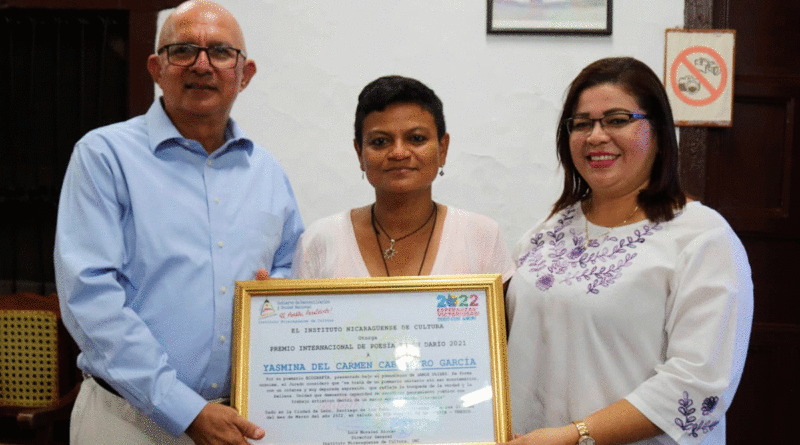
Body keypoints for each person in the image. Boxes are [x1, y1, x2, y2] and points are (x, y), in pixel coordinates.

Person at [53, 1, 304, 444]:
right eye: (183, 49)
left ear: (245, 74)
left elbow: (289, 268)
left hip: (236, 422)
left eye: (221, 52)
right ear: (156, 68)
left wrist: (277, 294)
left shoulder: (267, 172)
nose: (202, 65)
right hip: (126, 419)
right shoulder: (104, 157)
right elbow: (91, 299)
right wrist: (183, 410)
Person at [503, 57, 753, 445]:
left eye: (617, 119)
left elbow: (699, 386)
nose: (596, 136)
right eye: (582, 123)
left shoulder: (702, 238)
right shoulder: (543, 235)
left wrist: (576, 436)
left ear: (658, 133)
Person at [291, 75, 514, 280]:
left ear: (442, 149)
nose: (399, 153)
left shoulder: (481, 236)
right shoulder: (321, 241)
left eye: (416, 139)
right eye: (380, 142)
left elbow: (501, 322)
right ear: (360, 153)